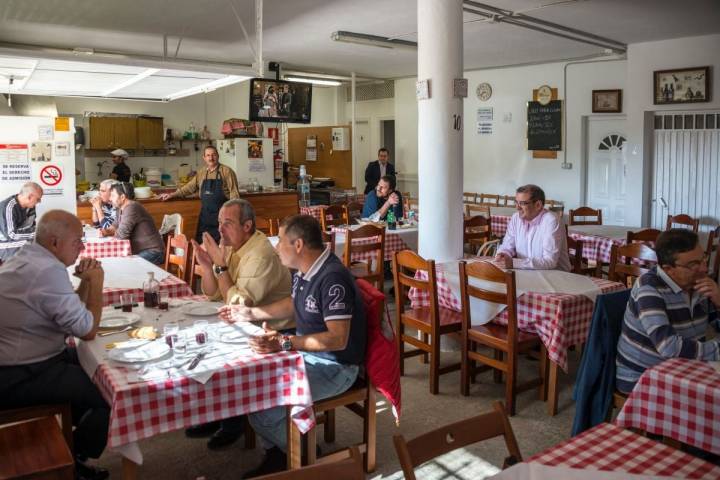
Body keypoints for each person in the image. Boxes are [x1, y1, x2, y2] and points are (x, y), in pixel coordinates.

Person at [219, 215, 366, 478]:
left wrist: (284, 342)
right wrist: (250, 314)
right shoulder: (304, 271)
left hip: (337, 366)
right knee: (253, 383)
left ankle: (310, 459)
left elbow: (337, 339)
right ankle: (281, 452)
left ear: (298, 245)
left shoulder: (333, 277)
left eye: (281, 243)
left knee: (264, 408)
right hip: (307, 356)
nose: (276, 249)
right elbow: (292, 304)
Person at [0, 210, 110, 480]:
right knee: (111, 395)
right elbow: (87, 330)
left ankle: (69, 445)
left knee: (93, 367)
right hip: (20, 374)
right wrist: (96, 283)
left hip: (26, 360)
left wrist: (84, 283)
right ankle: (74, 459)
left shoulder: (30, 256)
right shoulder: (46, 270)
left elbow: (70, 316)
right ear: (54, 243)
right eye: (78, 242)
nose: (82, 247)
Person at [185, 199, 293, 449]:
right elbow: (213, 294)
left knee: (219, 352)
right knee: (203, 342)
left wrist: (220, 265)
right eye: (219, 223)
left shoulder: (259, 254)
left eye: (228, 223)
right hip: (248, 322)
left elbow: (236, 302)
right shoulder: (233, 245)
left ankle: (234, 423)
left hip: (276, 330)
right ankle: (221, 414)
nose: (220, 229)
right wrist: (207, 265)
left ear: (247, 226)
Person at [616, 229, 720, 394]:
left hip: (685, 368)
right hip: (643, 377)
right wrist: (716, 350)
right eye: (693, 264)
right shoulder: (649, 288)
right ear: (668, 269)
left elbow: (716, 324)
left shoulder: (699, 282)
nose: (704, 268)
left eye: (704, 259)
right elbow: (669, 346)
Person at [158, 146, 240, 243]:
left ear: (218, 156)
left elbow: (235, 196)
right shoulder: (201, 173)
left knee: (220, 249)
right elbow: (189, 188)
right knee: (202, 247)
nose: (211, 158)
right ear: (204, 158)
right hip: (205, 218)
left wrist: (232, 218)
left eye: (213, 154)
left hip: (222, 219)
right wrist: (172, 194)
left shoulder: (226, 171)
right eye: (208, 155)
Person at [494, 184, 570, 271]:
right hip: (527, 273)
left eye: (522, 203)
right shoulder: (516, 218)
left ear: (538, 205)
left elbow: (550, 262)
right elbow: (507, 245)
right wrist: (502, 255)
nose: (517, 207)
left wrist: (514, 263)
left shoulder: (551, 220)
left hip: (556, 276)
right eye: (516, 202)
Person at [100, 182, 165, 264]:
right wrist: (106, 231)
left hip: (153, 252)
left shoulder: (132, 207)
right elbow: (114, 226)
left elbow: (122, 235)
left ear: (122, 197)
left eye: (112, 195)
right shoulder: (120, 208)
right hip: (140, 251)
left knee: (125, 264)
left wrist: (111, 233)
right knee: (117, 262)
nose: (110, 199)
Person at [0, 182, 43, 262]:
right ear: (30, 197)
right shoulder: (8, 207)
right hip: (3, 244)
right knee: (33, 243)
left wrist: (37, 232)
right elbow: (11, 235)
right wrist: (38, 232)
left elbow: (30, 227)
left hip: (16, 242)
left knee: (38, 243)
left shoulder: (31, 207)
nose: (39, 202)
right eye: (38, 199)